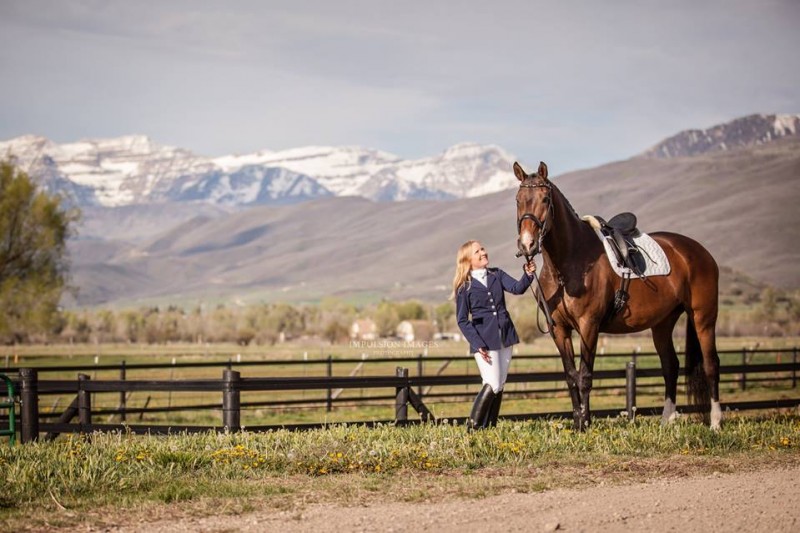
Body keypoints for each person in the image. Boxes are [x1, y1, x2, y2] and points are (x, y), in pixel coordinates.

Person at [452, 240, 536, 429]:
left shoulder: (497, 274)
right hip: (484, 340)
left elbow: (517, 288)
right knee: (492, 383)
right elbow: (462, 320)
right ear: (468, 259)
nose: (483, 252)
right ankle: (473, 428)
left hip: (505, 335)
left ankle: (489, 428)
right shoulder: (464, 287)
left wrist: (528, 274)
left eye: (482, 248)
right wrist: (478, 343)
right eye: (477, 251)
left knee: (500, 384)